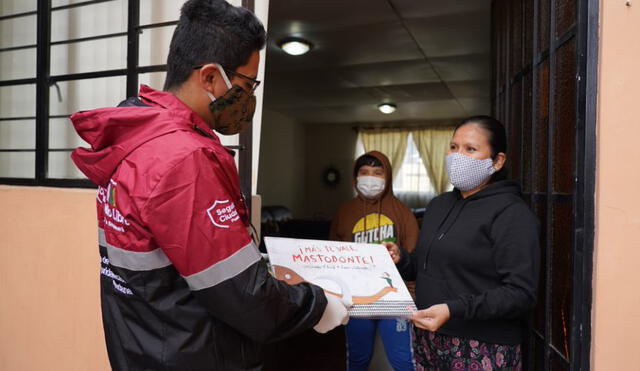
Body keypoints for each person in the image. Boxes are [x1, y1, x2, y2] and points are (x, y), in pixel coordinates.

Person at [70, 1, 349, 370]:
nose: (249, 98)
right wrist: (318, 305)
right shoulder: (184, 159)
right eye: (248, 84)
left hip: (142, 347)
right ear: (210, 77)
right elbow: (244, 298)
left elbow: (178, 261)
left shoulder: (136, 140)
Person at [386, 116, 539, 370]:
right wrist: (402, 259)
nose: (457, 156)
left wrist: (453, 310)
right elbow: (431, 267)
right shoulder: (438, 205)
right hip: (429, 337)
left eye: (470, 149)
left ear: (498, 161)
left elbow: (520, 293)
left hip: (481, 346)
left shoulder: (512, 212)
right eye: (454, 147)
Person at [330, 151, 418, 371]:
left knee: (403, 360)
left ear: (387, 177)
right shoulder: (344, 212)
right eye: (365, 172)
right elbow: (332, 255)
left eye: (378, 173)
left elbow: (414, 256)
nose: (371, 178)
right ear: (355, 177)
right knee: (358, 358)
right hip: (357, 298)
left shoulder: (403, 212)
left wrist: (413, 293)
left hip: (394, 298)